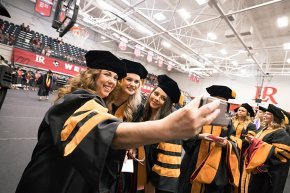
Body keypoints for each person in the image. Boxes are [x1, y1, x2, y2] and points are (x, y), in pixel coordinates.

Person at [15, 50, 221, 193]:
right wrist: (168, 128)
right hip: (51, 180)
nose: (112, 81)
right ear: (92, 76)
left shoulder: (101, 103)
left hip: (74, 177)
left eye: (115, 77)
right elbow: (101, 131)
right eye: (107, 74)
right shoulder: (77, 100)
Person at [178, 85, 240, 193]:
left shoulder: (227, 121)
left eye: (222, 102)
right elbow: (184, 134)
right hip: (194, 158)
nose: (218, 104)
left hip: (216, 161)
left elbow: (233, 140)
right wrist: (199, 136)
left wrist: (225, 143)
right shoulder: (198, 115)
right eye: (215, 100)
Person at [105, 59, 148, 193]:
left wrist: (134, 145)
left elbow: (137, 131)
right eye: (129, 79)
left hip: (119, 158)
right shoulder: (105, 98)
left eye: (136, 82)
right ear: (121, 80)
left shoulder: (138, 107)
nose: (133, 84)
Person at [140, 75, 183, 193]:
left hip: (155, 183)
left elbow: (167, 162)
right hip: (141, 172)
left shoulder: (169, 125)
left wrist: (152, 183)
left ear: (167, 104)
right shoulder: (144, 114)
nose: (157, 98)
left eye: (163, 98)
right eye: (156, 94)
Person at [241, 104, 290, 193]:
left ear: (275, 117)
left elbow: (283, 153)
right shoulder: (263, 129)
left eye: (268, 114)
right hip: (257, 167)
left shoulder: (281, 133)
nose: (265, 115)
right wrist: (251, 141)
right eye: (265, 113)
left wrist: (257, 143)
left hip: (268, 172)